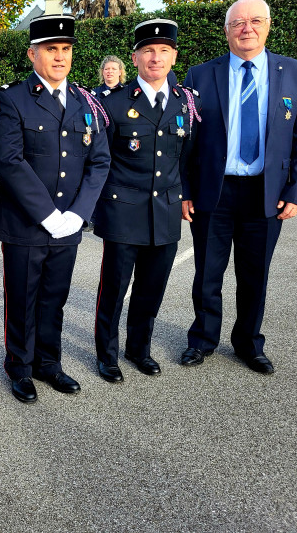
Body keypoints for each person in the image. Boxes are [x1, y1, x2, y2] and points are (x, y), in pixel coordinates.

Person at [180, 0, 297, 374]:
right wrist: (185, 190)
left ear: (268, 26)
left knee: (255, 273)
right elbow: (186, 141)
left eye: (255, 21)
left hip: (266, 193)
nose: (247, 28)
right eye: (238, 23)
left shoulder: (295, 73)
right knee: (207, 271)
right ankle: (203, 340)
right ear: (226, 30)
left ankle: (248, 344)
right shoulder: (200, 75)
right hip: (215, 191)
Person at [0, 15, 111, 403]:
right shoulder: (13, 98)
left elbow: (99, 161)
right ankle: (20, 367)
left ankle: (48, 363)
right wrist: (48, 214)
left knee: (54, 297)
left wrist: (77, 213)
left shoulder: (84, 101)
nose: (60, 57)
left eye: (65, 49)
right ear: (32, 54)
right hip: (27, 222)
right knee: (23, 298)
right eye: (50, 49)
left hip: (69, 223)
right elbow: (7, 160)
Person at [92, 19, 201, 383]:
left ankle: (139, 349)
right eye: (148, 51)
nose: (156, 58)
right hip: (124, 211)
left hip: (166, 211)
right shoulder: (113, 102)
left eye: (163, 51)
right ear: (135, 58)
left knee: (151, 289)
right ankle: (107, 355)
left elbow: (189, 157)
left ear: (174, 57)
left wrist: (186, 197)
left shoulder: (186, 103)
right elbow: (99, 159)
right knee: (114, 290)